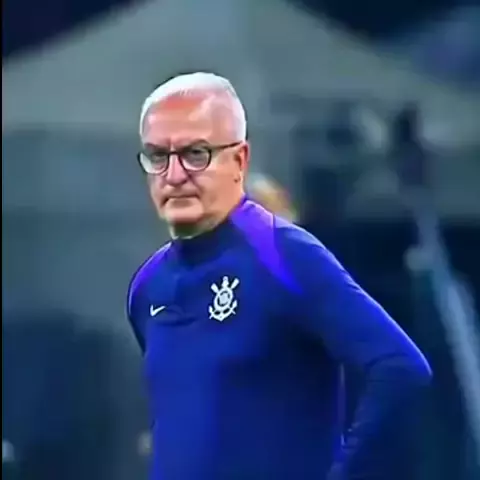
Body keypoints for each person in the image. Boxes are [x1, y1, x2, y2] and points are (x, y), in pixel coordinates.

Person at [127, 72, 432, 480]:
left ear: (239, 160)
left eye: (196, 154)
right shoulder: (148, 287)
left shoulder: (283, 254)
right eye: (158, 156)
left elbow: (400, 368)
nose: (175, 174)